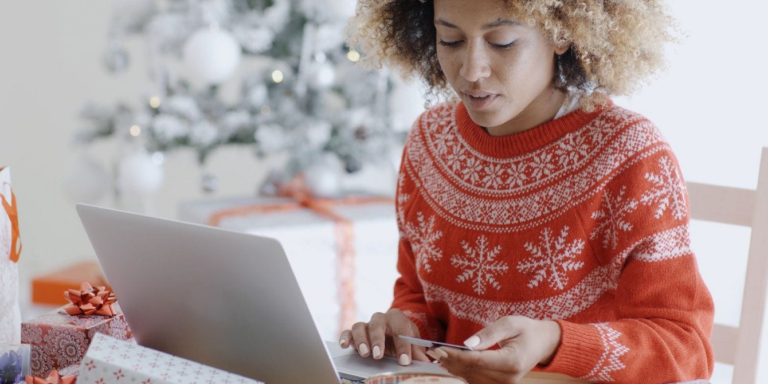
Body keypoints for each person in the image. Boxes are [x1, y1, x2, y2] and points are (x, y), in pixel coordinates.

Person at [340, 0, 714, 382]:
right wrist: (405, 332)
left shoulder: (628, 153)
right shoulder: (429, 142)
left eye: (502, 42)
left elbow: (685, 347)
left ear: (562, 34)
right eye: (450, 40)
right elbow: (420, 296)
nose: (472, 70)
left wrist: (555, 342)